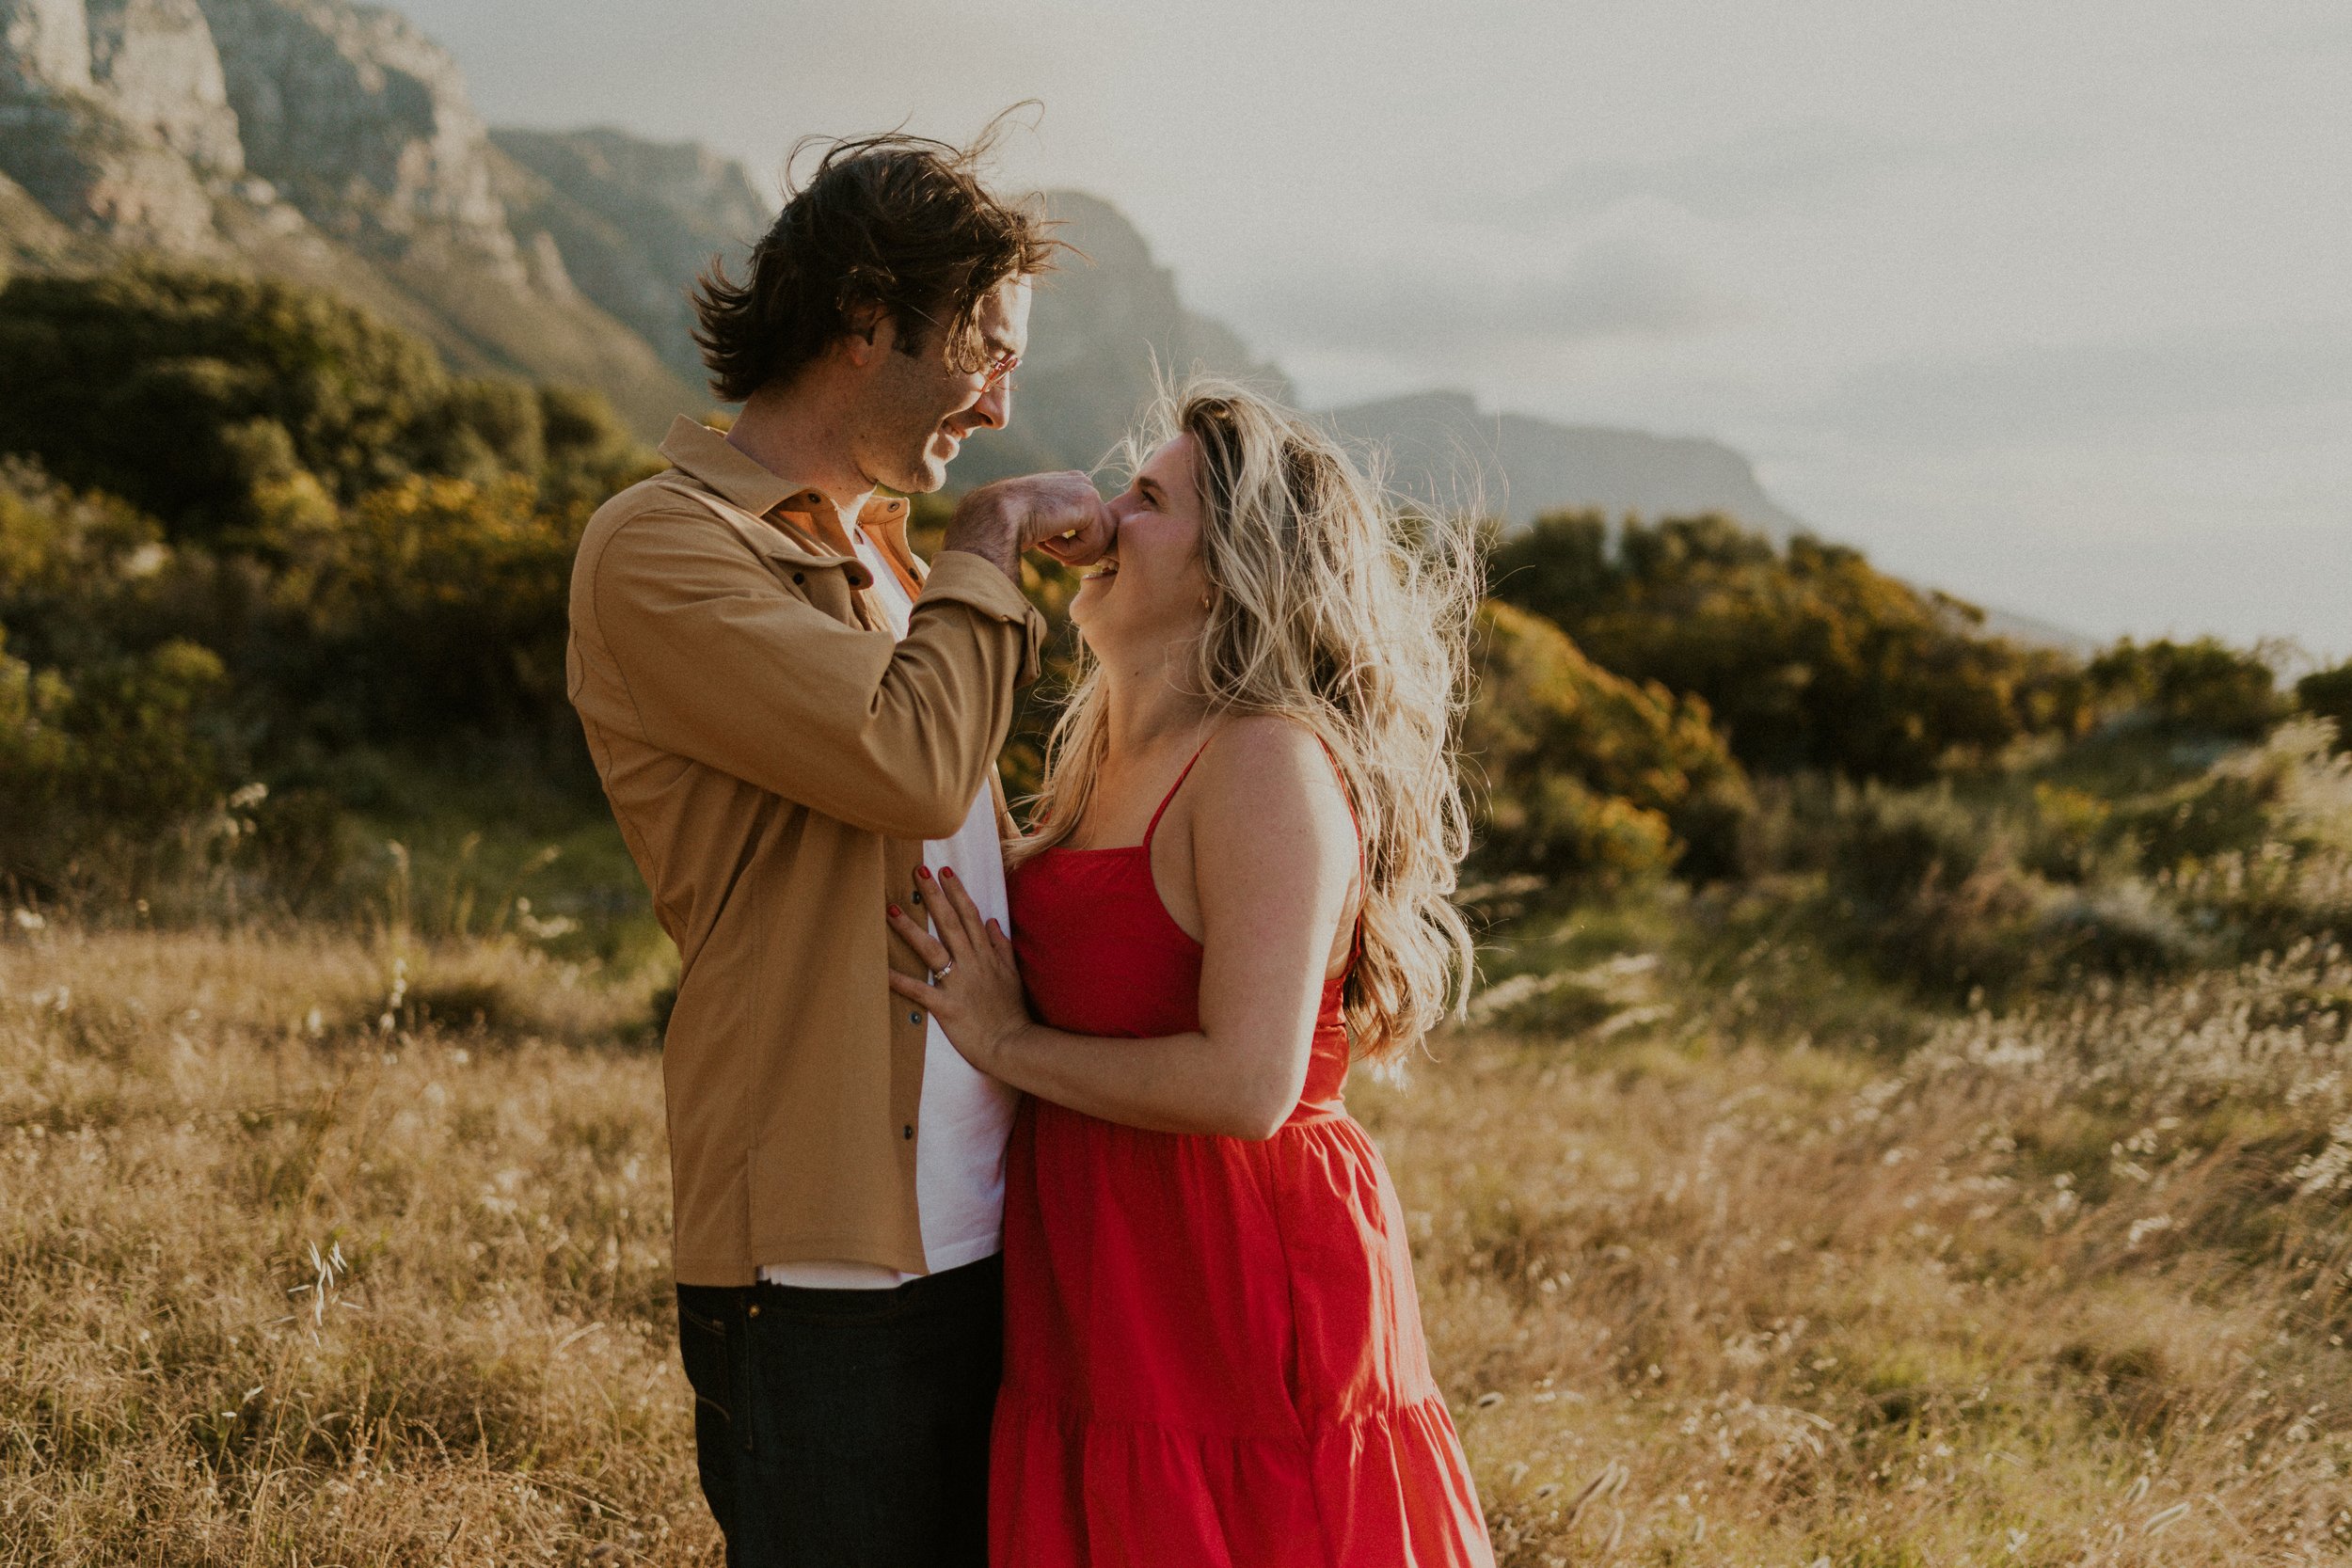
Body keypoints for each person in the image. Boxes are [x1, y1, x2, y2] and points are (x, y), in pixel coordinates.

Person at [564, 123, 1111, 1566]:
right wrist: (991, 543)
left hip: (985, 1231)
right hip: (822, 1262)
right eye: (987, 348)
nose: (999, 404)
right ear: (868, 316)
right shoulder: (665, 544)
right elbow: (911, 763)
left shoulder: (894, 563)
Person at [890, 381, 1499, 1566]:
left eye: (1148, 500)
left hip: (1228, 1263)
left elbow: (1249, 1083)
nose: (1106, 520)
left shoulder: (1263, 760)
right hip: (1106, 1266)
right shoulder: (1110, 752)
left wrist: (1008, 1043)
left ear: (1230, 568)